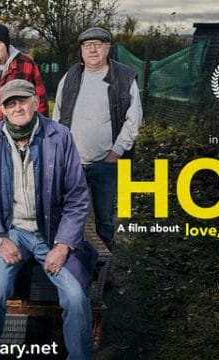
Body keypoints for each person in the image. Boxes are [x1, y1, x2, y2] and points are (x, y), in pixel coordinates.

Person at [0, 80, 97, 359]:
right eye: (10, 103)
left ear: (36, 102)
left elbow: (77, 197)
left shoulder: (60, 136)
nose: (18, 108)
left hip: (51, 232)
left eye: (23, 101)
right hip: (9, 231)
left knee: (75, 297)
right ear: (1, 109)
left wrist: (63, 245)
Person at [53, 27, 143, 250]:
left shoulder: (124, 77)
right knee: (69, 213)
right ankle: (71, 258)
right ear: (81, 50)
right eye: (87, 45)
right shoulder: (71, 76)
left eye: (98, 44)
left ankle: (105, 270)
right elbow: (57, 113)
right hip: (72, 162)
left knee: (104, 218)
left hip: (106, 163)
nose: (92, 49)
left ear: (108, 47)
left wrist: (116, 153)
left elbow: (134, 120)